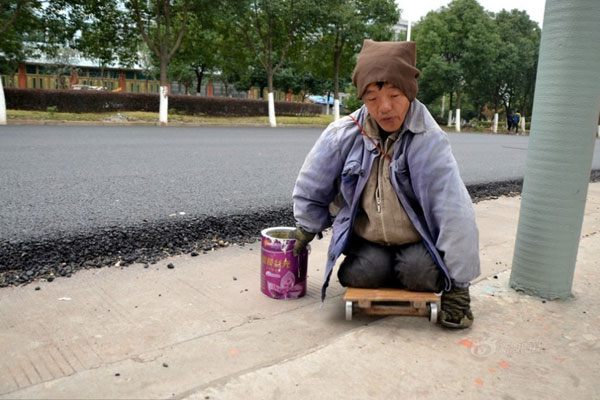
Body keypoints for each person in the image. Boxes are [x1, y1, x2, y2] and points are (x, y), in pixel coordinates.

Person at [291, 40, 480, 329]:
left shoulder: (429, 140)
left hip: (416, 241)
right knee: (359, 276)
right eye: (372, 99)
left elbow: (454, 213)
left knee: (420, 274)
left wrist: (458, 288)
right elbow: (312, 185)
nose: (385, 108)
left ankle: (408, 268)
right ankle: (384, 267)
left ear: (410, 91)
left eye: (394, 94)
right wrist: (306, 226)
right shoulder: (343, 134)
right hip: (370, 241)